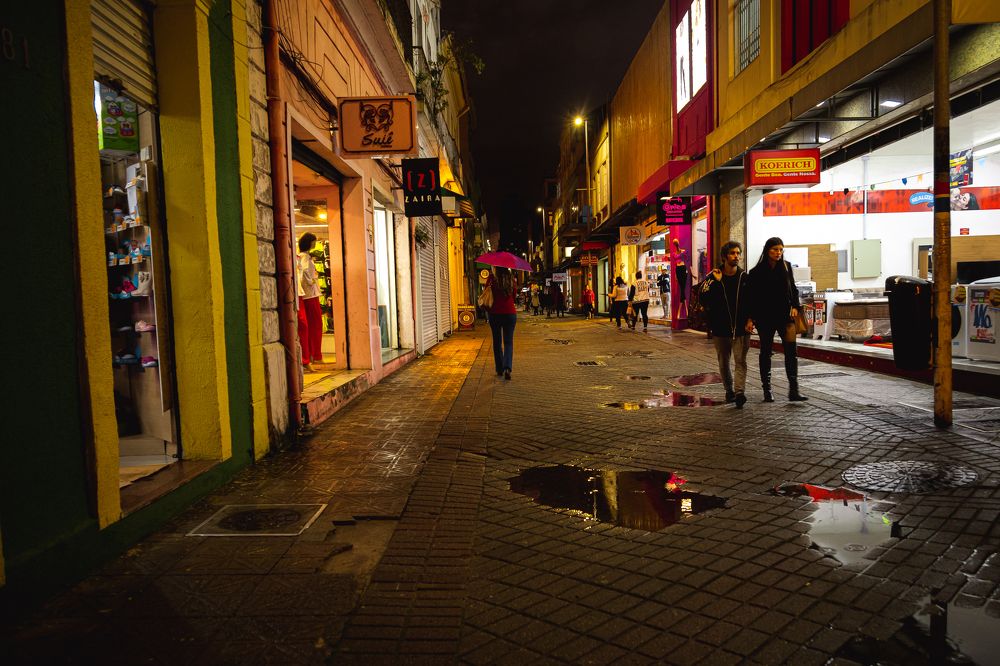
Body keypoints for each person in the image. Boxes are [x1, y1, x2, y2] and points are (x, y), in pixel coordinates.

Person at [748, 236, 808, 402]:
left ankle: (794, 390)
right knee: (766, 352)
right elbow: (752, 297)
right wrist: (751, 318)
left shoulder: (786, 266)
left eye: (781, 249)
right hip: (765, 317)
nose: (778, 252)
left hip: (785, 316)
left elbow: (793, 289)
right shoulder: (756, 272)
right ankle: (767, 390)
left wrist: (795, 306)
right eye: (775, 249)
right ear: (767, 250)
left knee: (791, 351)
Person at [700, 242, 752, 407]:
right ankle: (729, 391)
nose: (736, 256)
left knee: (740, 361)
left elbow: (752, 301)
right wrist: (715, 282)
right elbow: (702, 298)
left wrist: (750, 320)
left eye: (738, 253)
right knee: (724, 362)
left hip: (741, 328)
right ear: (724, 257)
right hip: (720, 328)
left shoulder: (744, 277)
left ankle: (739, 392)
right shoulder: (713, 276)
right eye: (732, 253)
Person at [297, 232, 323, 372]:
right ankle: (314, 355)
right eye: (313, 241)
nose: (315, 244)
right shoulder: (305, 257)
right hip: (310, 295)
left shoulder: (303, 256)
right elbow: (304, 273)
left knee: (310, 325)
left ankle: (313, 355)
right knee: (314, 325)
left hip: (307, 294)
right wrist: (312, 281)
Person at [486, 266, 518, 380]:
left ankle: (499, 369)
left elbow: (487, 293)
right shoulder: (511, 279)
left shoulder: (491, 279)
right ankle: (507, 367)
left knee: (497, 342)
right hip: (509, 313)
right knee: (508, 342)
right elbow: (514, 296)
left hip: (495, 313)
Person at [671, 238, 689, 319]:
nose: (675, 245)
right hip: (678, 269)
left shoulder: (683, 251)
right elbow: (675, 264)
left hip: (682, 268)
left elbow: (686, 257)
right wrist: (675, 275)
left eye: (675, 243)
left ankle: (680, 311)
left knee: (682, 288)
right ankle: (686, 310)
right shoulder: (674, 254)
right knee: (682, 288)